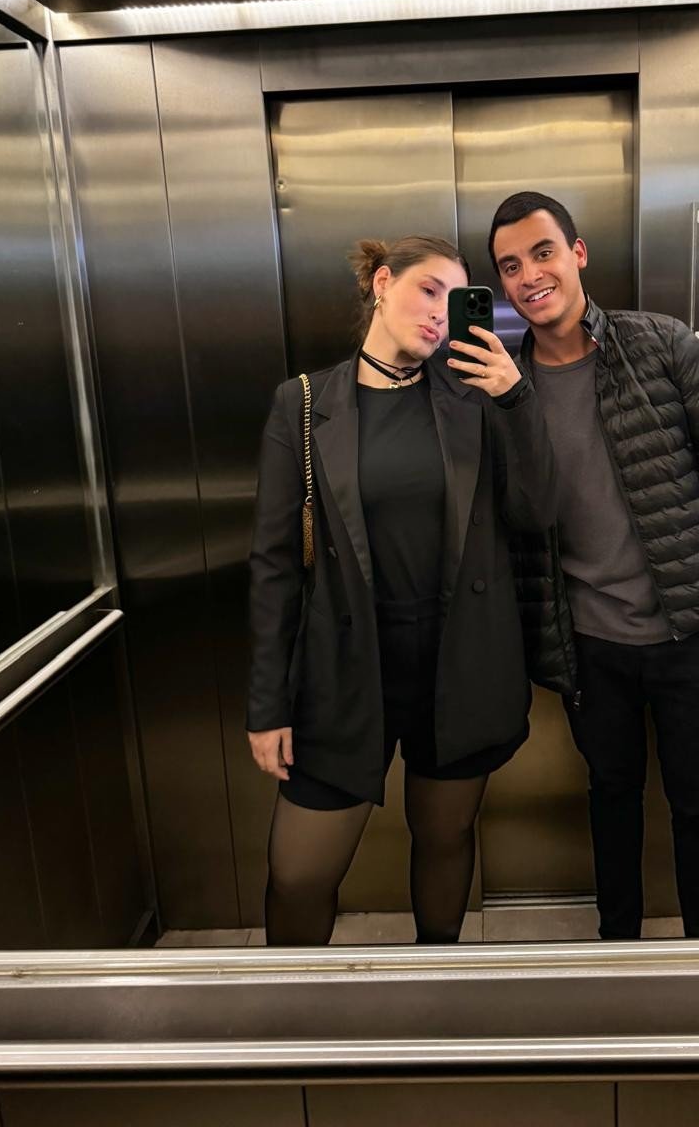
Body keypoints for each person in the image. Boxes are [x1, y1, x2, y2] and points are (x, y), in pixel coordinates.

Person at [488, 191, 699, 940]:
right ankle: (618, 950)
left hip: (693, 630)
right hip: (588, 645)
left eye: (542, 252)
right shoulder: (504, 386)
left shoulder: (660, 345)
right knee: (611, 796)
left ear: (578, 253)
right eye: (510, 266)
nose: (530, 276)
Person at [247, 234, 556, 946]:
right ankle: (291, 1007)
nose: (440, 313)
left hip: (458, 661)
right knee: (297, 873)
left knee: (445, 839)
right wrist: (267, 705)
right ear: (382, 284)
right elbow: (273, 565)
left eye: (454, 299)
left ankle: (439, 979)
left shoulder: (473, 398)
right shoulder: (304, 404)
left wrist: (515, 399)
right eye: (427, 290)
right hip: (343, 665)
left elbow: (536, 512)